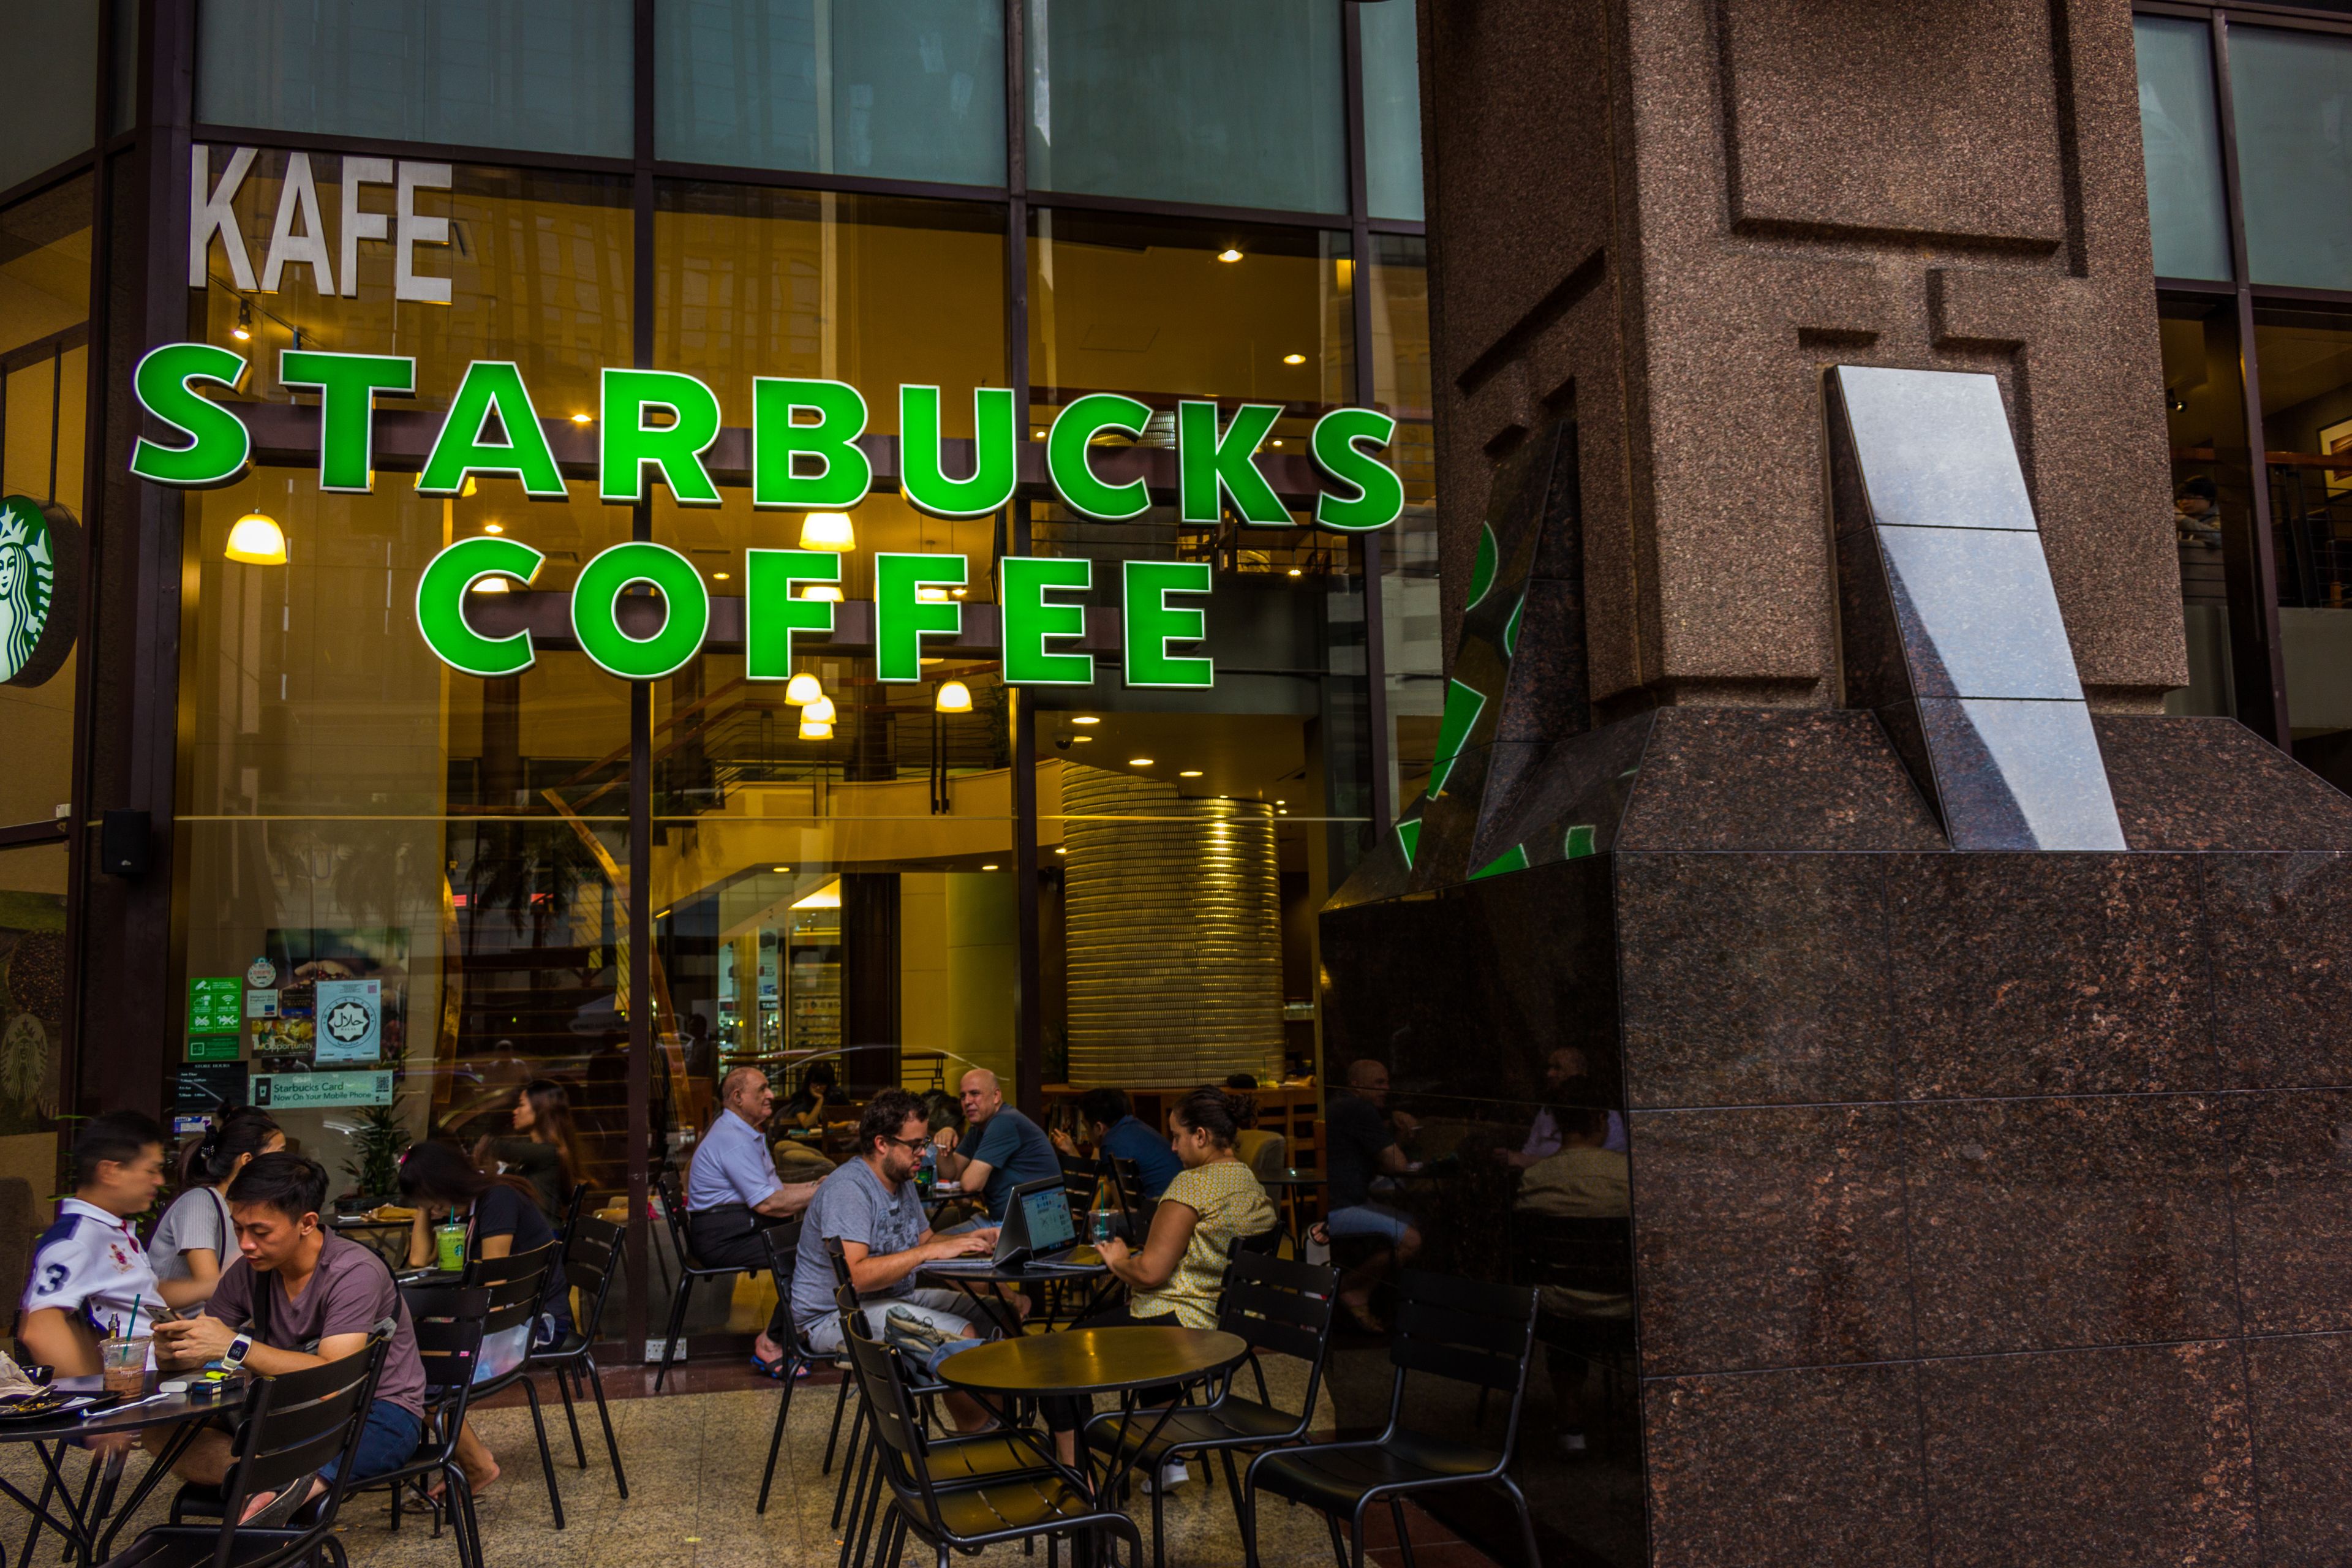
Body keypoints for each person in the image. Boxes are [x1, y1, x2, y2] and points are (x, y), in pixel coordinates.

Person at [151, 1153, 429, 1517]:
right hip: (284, 1411)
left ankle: (274, 1495)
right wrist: (173, 1349)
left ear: (307, 1223)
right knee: (160, 1431)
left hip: (373, 1412)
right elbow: (201, 1345)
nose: (246, 1244)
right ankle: (267, 1485)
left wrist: (234, 1346)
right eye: (238, 1229)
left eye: (261, 1232)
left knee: (340, 1447)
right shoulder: (248, 1271)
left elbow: (333, 1379)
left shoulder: (354, 1271)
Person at [1047, 1088, 1276, 1482]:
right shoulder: (1249, 1183)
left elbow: (1152, 1273)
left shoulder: (1190, 1186)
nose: (1171, 1148)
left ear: (1201, 1136)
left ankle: (1075, 1480)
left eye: (1177, 1136)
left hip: (1180, 1326)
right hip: (1227, 1329)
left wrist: (1119, 1261)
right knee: (1111, 1320)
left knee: (1057, 1355)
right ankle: (1166, 1458)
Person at [790, 1088, 998, 1430]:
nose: (924, 1153)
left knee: (994, 1313)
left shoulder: (900, 1180)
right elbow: (854, 1277)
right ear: (882, 1144)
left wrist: (970, 1240)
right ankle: (979, 1448)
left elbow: (928, 1242)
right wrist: (928, 1252)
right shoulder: (851, 1190)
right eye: (915, 1145)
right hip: (837, 1315)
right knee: (965, 1337)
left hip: (889, 1298)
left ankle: (997, 1429)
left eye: (925, 1142)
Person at [399, 1140, 568, 1496]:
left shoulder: (498, 1201)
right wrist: (424, 1209)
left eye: (426, 1197)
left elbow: (493, 1288)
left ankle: (477, 1466)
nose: (426, 1206)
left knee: (414, 1377)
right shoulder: (467, 1209)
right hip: (504, 1321)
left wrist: (449, 1334)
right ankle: (467, 1460)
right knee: (411, 1365)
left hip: (534, 1326)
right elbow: (418, 1260)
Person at [1513, 1107, 1632, 1455]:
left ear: (1559, 1126)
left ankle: (1570, 1418)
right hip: (1627, 1312)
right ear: (1601, 1122)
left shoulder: (1535, 1177)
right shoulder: (1630, 1175)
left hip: (1558, 1314)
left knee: (1559, 1299)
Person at [685, 1066, 816, 1374]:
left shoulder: (744, 1132)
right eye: (763, 1090)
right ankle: (773, 1342)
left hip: (735, 1228)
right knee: (811, 1254)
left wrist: (815, 1188)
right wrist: (823, 1192)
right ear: (738, 1097)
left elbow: (774, 1190)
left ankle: (796, 1332)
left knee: (813, 1245)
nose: (771, 1095)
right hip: (723, 1238)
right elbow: (769, 1203)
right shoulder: (734, 1139)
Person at [18, 1112, 168, 1376]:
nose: (160, 1181)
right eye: (152, 1170)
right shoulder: (77, 1238)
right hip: (140, 1392)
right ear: (110, 1171)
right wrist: (95, 1403)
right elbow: (39, 1329)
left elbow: (136, 1295)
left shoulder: (109, 1229)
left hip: (164, 1374)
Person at [1321, 1058, 1422, 1332]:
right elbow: (1397, 1165)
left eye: (1387, 1082)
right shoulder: (1358, 1108)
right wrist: (1408, 1134)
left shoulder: (1341, 1104)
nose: (1386, 1089)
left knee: (1411, 1222)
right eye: (1379, 1083)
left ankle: (1363, 1291)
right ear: (1356, 1084)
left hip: (1337, 1201)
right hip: (1339, 1207)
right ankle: (1351, 1289)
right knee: (1411, 1239)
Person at [151, 1109, 285, 1308]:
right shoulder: (199, 1203)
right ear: (247, 1160)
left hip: (221, 1321)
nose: (286, 1163)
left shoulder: (243, 1205)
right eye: (280, 1154)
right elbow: (211, 1287)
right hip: (183, 1326)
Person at [930, 1068, 1060, 1224]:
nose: (967, 1101)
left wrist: (964, 1183)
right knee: (933, 1239)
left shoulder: (1004, 1122)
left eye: (975, 1094)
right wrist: (945, 1140)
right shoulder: (978, 1129)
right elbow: (949, 1176)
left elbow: (970, 1184)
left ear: (996, 1096)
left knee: (937, 1243)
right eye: (963, 1096)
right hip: (1002, 1220)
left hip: (1032, 1225)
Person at [472, 1078, 585, 1223]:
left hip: (543, 1239)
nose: (515, 1111)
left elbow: (497, 1147)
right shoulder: (536, 1155)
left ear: (541, 1108)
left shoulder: (548, 1153)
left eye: (521, 1105)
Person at [1495, 1048, 1627, 1167]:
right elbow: (1530, 1150)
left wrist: (1525, 1161)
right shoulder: (1546, 1111)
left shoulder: (1604, 1114)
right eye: (1549, 1068)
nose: (1550, 1074)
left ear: (1579, 1072)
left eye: (1558, 1068)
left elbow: (1607, 1164)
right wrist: (1513, 1158)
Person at [1047, 1086, 1182, 1201]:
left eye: (1086, 1126)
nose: (1086, 1132)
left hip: (1160, 1208)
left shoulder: (1112, 1144)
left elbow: (1123, 1206)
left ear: (1099, 1128)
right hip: (1172, 1201)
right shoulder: (1133, 1127)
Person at [2175, 476, 2222, 549]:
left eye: (2189, 497)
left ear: (2208, 497)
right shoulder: (2180, 523)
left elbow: (2218, 539)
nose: (2184, 502)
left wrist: (2183, 520)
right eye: (2180, 499)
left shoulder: (2221, 517)